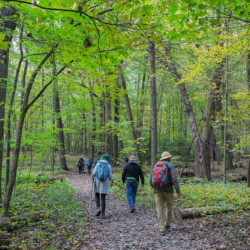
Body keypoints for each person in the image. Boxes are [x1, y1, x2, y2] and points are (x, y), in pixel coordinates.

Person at [151, 151, 180, 235]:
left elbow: (151, 178)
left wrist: (155, 188)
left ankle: (161, 228)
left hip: (157, 190)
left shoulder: (156, 164)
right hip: (168, 190)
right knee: (169, 206)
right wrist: (177, 191)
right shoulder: (170, 165)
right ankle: (167, 225)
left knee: (159, 208)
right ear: (168, 158)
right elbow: (174, 178)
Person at [91, 154, 112, 218]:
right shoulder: (108, 166)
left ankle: (98, 208)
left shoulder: (98, 164)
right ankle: (103, 213)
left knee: (96, 195)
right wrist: (110, 180)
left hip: (97, 182)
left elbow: (94, 173)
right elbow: (110, 176)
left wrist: (92, 178)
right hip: (104, 183)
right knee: (103, 197)